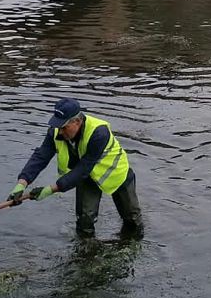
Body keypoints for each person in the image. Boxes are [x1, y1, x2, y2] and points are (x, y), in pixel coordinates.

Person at [7, 98, 143, 239]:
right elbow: (41, 156)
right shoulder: (55, 132)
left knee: (132, 219)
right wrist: (21, 183)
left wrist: (50, 190)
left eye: (64, 127)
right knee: (84, 222)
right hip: (86, 178)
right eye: (58, 126)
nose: (60, 131)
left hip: (116, 174)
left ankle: (133, 246)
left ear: (77, 122)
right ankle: (86, 254)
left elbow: (84, 167)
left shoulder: (99, 132)